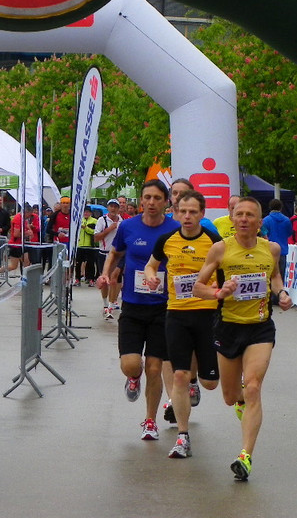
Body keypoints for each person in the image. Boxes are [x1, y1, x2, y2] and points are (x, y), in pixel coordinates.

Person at [192, 195, 293, 481]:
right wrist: (218, 292)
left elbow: (275, 277)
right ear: (232, 219)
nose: (244, 219)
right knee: (230, 396)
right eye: (240, 214)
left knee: (253, 386)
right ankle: (239, 402)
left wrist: (282, 293)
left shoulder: (271, 249)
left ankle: (245, 456)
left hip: (260, 327)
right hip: (228, 327)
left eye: (250, 215)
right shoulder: (220, 249)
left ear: (260, 222)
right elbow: (198, 287)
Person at [96, 179, 179, 442]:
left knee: (155, 368)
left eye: (157, 198)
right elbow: (114, 253)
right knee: (132, 364)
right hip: (132, 306)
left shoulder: (175, 229)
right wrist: (106, 273)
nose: (152, 202)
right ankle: (133, 376)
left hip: (162, 308)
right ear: (141, 200)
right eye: (147, 197)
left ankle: (150, 421)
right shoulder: (128, 226)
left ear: (166, 202)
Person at [142, 189, 221, 458]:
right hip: (176, 314)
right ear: (176, 212)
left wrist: (217, 291)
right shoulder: (166, 240)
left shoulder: (214, 241)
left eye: (193, 212)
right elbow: (151, 265)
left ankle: (199, 380)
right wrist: (151, 276)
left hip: (207, 315)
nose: (187, 216)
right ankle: (183, 437)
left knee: (211, 382)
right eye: (182, 211)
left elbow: (225, 272)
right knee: (178, 374)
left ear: (202, 213)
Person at [93, 198, 123, 319]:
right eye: (111, 206)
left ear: (118, 208)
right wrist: (109, 230)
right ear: (108, 207)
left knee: (115, 280)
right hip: (104, 253)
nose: (113, 209)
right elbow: (96, 238)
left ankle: (111, 305)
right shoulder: (102, 220)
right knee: (105, 281)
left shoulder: (122, 221)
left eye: (115, 206)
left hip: (117, 255)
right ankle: (105, 303)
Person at [261, 198, 293, 279]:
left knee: (269, 277)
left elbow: (263, 235)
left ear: (270, 207)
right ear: (281, 207)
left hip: (269, 251)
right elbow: (289, 233)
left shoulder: (265, 220)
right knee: (280, 277)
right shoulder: (287, 220)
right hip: (282, 251)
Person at [74, 206, 98, 285]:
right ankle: (77, 279)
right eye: (84, 212)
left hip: (90, 245)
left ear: (91, 213)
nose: (86, 213)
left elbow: (94, 232)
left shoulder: (94, 221)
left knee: (90, 263)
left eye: (87, 212)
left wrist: (86, 228)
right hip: (80, 245)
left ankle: (91, 279)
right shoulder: (79, 220)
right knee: (78, 263)